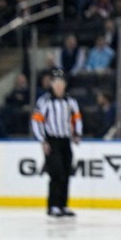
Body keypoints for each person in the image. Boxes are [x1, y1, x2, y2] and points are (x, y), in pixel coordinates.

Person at [31, 69, 82, 218]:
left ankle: (63, 205)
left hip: (66, 141)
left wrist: (77, 134)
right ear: (51, 84)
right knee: (56, 173)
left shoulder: (71, 101)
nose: (59, 85)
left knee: (66, 173)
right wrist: (42, 140)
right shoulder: (44, 101)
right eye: (56, 82)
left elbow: (77, 118)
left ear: (65, 84)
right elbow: (36, 122)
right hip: (52, 141)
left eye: (61, 82)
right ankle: (53, 205)